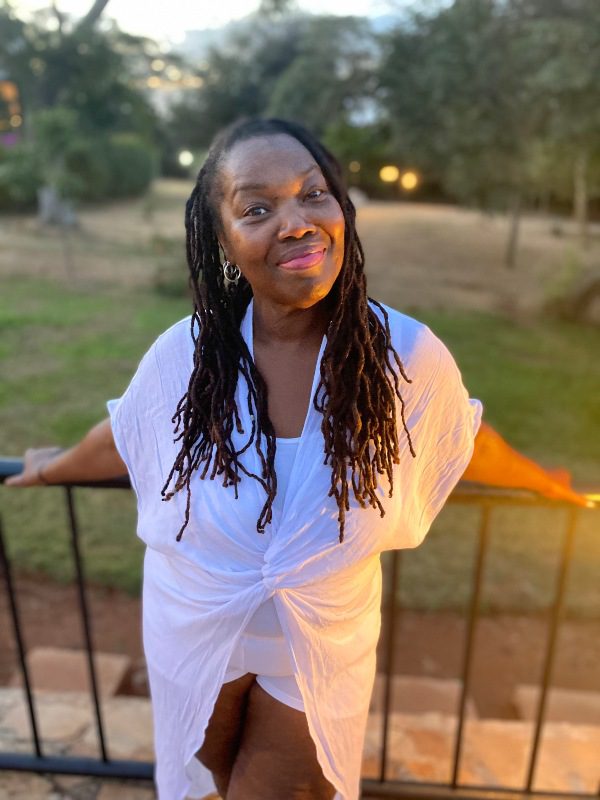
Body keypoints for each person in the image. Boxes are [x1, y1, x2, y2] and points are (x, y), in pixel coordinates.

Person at [6, 118, 589, 800]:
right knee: (214, 782)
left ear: (340, 207)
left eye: (313, 194)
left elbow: (464, 437)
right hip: (195, 628)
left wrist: (544, 483)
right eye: (258, 208)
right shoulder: (188, 354)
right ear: (225, 241)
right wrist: (45, 468)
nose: (297, 222)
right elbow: (125, 436)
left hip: (321, 643)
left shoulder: (405, 356)